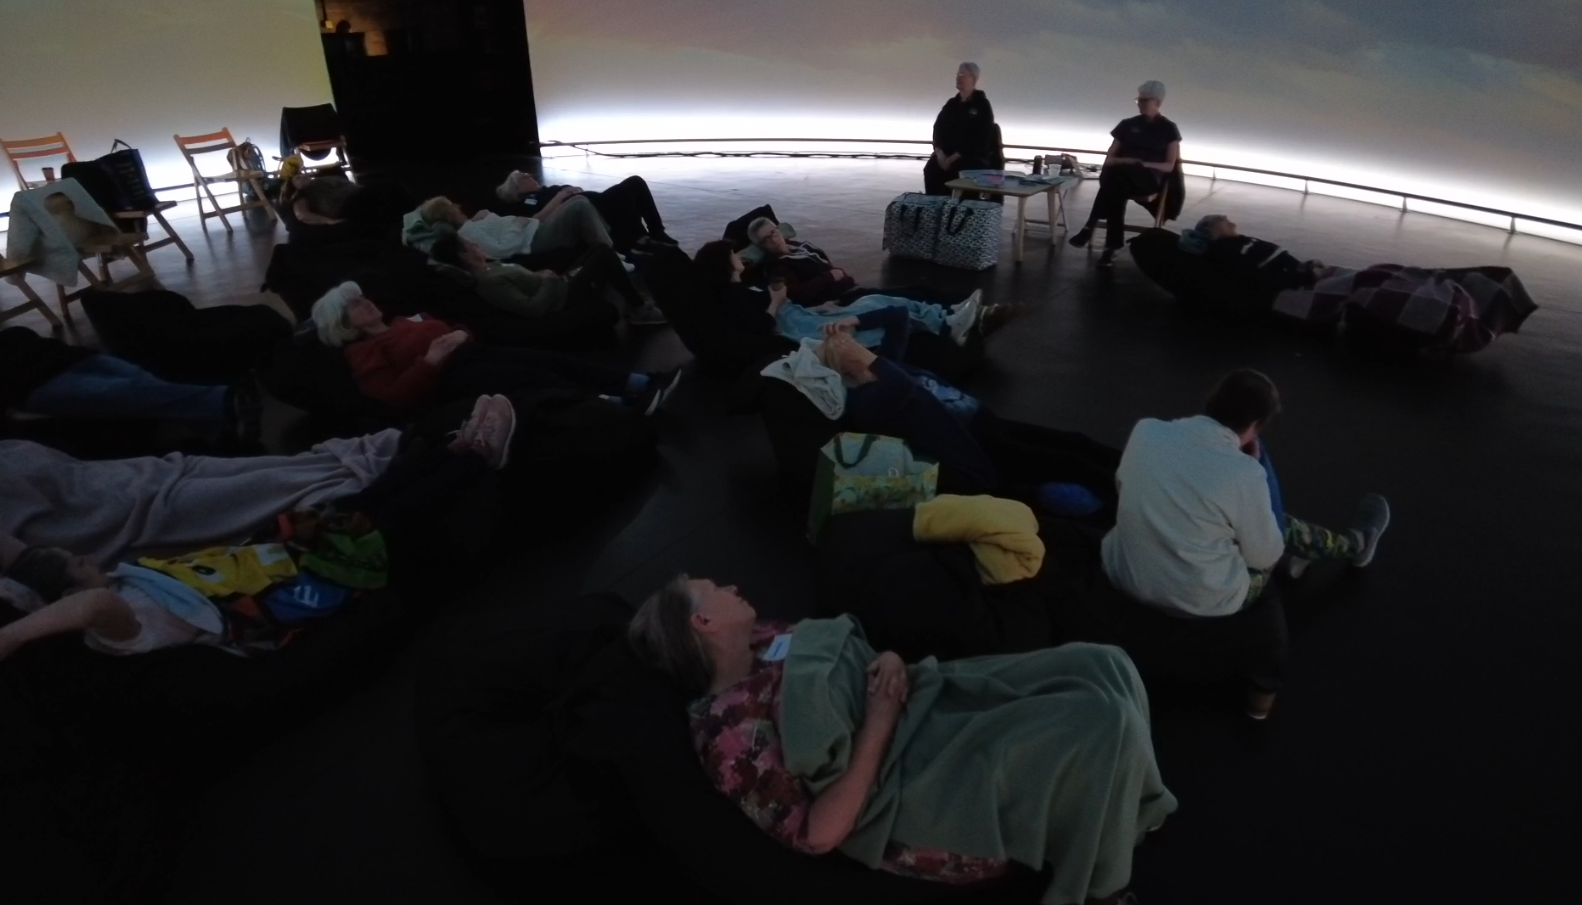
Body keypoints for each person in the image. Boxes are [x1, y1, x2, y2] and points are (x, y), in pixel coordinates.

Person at [628, 575, 1176, 905]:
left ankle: (1134, 806)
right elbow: (819, 833)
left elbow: (850, 660)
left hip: (918, 700)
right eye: (715, 589)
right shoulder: (728, 736)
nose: (731, 588)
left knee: (1103, 662)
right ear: (703, 621)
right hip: (912, 780)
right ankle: (1098, 888)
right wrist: (882, 719)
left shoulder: (765, 635)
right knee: (1102, 723)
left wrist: (888, 660)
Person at [0, 394, 519, 661]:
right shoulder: (117, 631)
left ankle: (449, 454)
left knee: (358, 509)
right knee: (377, 525)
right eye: (79, 564)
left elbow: (43, 576)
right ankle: (475, 459)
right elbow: (90, 603)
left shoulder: (117, 588)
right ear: (67, 598)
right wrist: (14, 635)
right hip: (290, 584)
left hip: (269, 556)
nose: (91, 560)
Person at [1101, 369, 1392, 718]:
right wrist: (1255, 474)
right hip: (1201, 600)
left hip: (1124, 573)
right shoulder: (1244, 473)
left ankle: (1308, 551)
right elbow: (1265, 555)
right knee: (1277, 529)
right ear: (1256, 424)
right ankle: (1354, 545)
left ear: (1210, 398)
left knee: (1224, 517)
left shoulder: (1146, 430)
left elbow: (1122, 488)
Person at [815, 330, 1119, 507]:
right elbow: (902, 385)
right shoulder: (866, 401)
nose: (856, 345)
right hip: (980, 445)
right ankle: (1125, 493)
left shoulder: (885, 369)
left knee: (1074, 442)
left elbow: (897, 317)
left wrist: (854, 323)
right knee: (1069, 463)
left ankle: (1125, 465)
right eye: (847, 349)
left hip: (985, 420)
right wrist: (863, 357)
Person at [309, 282, 680, 411]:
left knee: (550, 360)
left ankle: (637, 382)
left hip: (469, 354)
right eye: (354, 305)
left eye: (361, 298)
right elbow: (393, 398)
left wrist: (459, 335)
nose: (365, 303)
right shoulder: (362, 352)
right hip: (447, 380)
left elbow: (457, 329)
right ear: (343, 323)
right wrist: (431, 359)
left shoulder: (403, 321)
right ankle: (615, 403)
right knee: (533, 377)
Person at [693, 241, 983, 351]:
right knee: (874, 307)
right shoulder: (733, 296)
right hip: (797, 326)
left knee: (877, 301)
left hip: (804, 315)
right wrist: (777, 301)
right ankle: (947, 324)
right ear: (725, 264)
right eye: (732, 254)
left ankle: (947, 315)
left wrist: (817, 308)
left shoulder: (741, 288)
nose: (738, 256)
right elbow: (760, 327)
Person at [0, 326, 259, 445]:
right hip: (35, 385)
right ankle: (224, 400)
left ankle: (217, 428)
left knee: (139, 385)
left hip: (71, 358)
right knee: (123, 392)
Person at [429, 232, 667, 326]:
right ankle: (638, 308)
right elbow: (532, 309)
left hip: (559, 284)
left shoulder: (490, 267)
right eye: (469, 244)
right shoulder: (488, 282)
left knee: (599, 248)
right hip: (560, 298)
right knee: (603, 255)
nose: (475, 243)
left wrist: (542, 276)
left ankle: (634, 301)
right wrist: (547, 281)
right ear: (464, 255)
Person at [1069, 80, 1184, 269]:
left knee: (1114, 184)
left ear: (1157, 102)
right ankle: (1110, 246)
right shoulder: (1127, 125)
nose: (1140, 103)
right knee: (1117, 186)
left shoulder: (1168, 129)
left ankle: (1092, 227)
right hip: (1120, 176)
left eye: (1144, 100)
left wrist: (1141, 164)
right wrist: (1127, 162)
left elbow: (1169, 166)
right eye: (1138, 100)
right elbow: (1110, 158)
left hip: (1147, 179)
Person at [496, 171, 677, 251]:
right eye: (523, 178)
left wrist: (573, 189)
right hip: (585, 211)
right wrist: (561, 196)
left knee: (635, 182)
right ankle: (638, 239)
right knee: (623, 194)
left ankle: (657, 231)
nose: (530, 177)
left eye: (528, 175)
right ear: (515, 188)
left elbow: (572, 189)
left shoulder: (546, 190)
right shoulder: (528, 202)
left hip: (595, 201)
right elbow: (538, 219)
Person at [403, 194, 616, 262]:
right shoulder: (467, 233)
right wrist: (518, 225)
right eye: (452, 206)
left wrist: (485, 215)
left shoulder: (471, 225)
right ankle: (608, 253)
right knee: (579, 205)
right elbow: (501, 250)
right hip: (535, 238)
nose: (458, 206)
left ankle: (605, 245)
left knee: (578, 199)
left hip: (534, 229)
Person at [924, 62, 999, 196]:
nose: (958, 77)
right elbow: (938, 128)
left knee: (956, 171)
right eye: (958, 74)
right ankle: (934, 204)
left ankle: (956, 206)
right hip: (946, 154)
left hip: (970, 156)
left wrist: (955, 156)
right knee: (931, 168)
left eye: (963, 74)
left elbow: (981, 137)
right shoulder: (951, 104)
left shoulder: (982, 105)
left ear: (973, 79)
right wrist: (939, 152)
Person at [745, 218, 857, 303]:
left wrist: (835, 273)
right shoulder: (776, 265)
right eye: (765, 240)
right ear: (761, 246)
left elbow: (822, 261)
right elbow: (795, 294)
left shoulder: (797, 245)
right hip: (834, 300)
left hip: (846, 288)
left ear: (778, 230)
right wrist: (829, 276)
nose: (773, 240)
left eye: (773, 233)